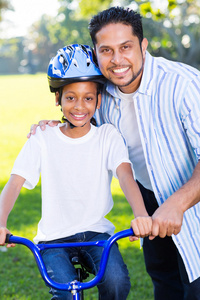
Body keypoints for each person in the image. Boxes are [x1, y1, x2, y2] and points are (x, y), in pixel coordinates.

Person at [29, 6, 200, 300]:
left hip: (190, 200)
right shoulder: (104, 93)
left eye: (126, 47)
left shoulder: (183, 85)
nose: (117, 60)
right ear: (96, 53)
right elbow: (83, 118)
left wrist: (177, 204)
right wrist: (55, 125)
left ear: (143, 46)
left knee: (195, 285)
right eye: (106, 50)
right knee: (165, 282)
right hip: (148, 199)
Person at [0, 44, 152, 300]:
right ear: (57, 99)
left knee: (116, 282)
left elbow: (126, 177)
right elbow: (14, 183)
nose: (80, 106)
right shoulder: (42, 138)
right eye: (70, 97)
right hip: (53, 240)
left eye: (88, 98)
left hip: (96, 233)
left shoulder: (107, 136)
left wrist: (140, 215)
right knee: (66, 293)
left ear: (99, 99)